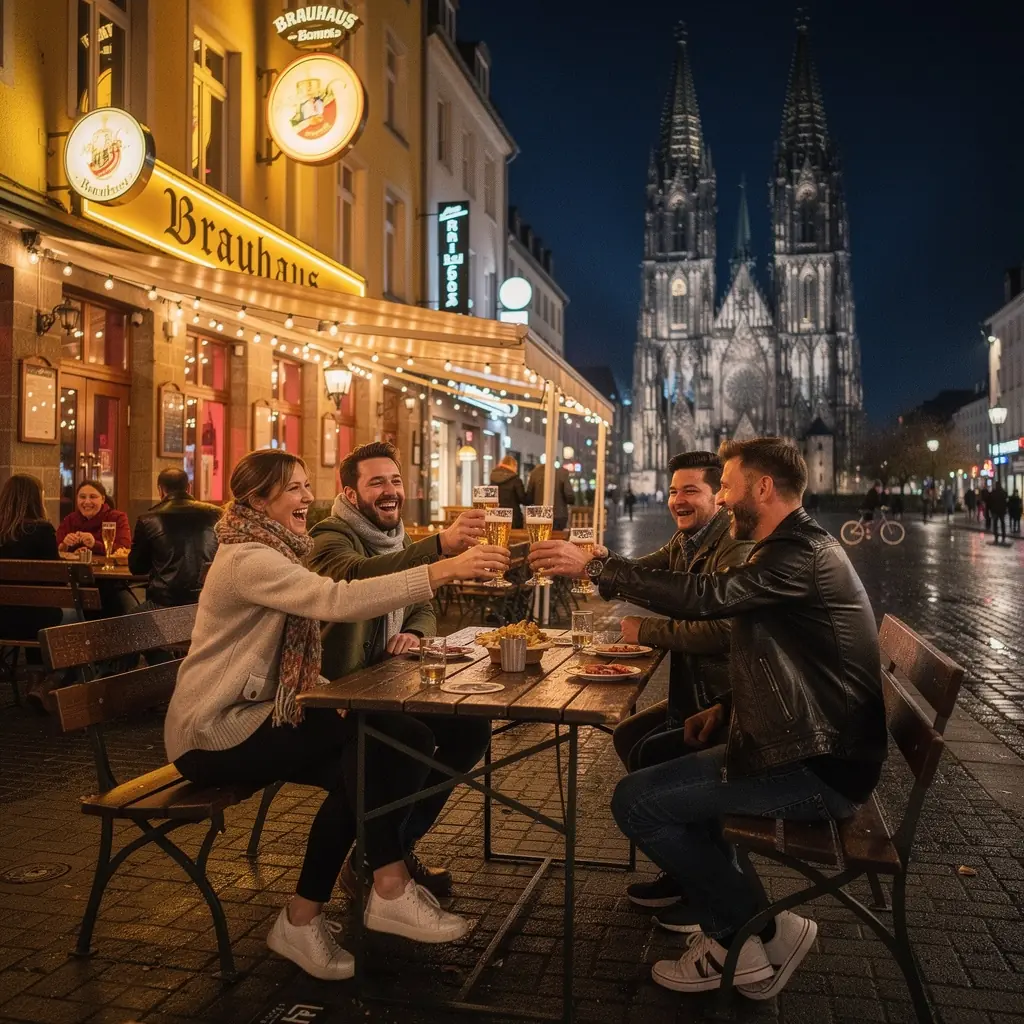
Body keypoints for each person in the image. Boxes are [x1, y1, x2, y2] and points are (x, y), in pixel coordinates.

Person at [528, 438, 886, 998]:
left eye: (727, 485)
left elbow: (710, 597)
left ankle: (736, 939)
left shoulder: (796, 555)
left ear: (763, 487)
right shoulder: (792, 547)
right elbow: (796, 659)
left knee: (636, 802)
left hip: (819, 768)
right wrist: (727, 708)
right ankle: (760, 925)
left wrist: (602, 563)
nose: (721, 496)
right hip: (808, 744)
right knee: (655, 757)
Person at [165, 450, 510, 980]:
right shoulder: (250, 558)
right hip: (214, 732)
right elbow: (334, 597)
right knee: (392, 738)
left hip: (262, 711)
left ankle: (305, 917)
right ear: (258, 501)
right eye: (295, 490)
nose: (309, 498)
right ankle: (388, 886)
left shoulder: (278, 547)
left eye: (308, 486)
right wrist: (440, 567)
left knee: (377, 761)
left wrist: (327, 689)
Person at [308, 441, 493, 896]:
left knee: (470, 728)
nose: (390, 490)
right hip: (335, 695)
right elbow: (356, 578)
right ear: (350, 494)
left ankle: (392, 847)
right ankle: (379, 860)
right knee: (413, 739)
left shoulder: (398, 536)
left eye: (395, 480)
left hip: (385, 686)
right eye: (376, 483)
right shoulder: (329, 536)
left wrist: (414, 631)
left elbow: (421, 607)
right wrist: (440, 548)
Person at [611, 452, 753, 914]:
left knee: (647, 758)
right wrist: (598, 565)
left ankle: (706, 886)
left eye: (690, 490)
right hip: (707, 695)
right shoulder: (689, 540)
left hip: (726, 697)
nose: (677, 500)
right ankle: (688, 868)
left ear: (720, 497)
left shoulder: (732, 546)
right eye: (673, 490)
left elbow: (726, 630)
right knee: (634, 736)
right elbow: (648, 575)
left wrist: (645, 630)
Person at [0, 474, 61, 687]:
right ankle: (45, 681)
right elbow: (57, 582)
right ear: (36, 499)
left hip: (2, 619)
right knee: (82, 614)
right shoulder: (42, 531)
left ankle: (39, 681)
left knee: (36, 607)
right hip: (36, 621)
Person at [129, 468, 221, 609]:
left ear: (160, 490)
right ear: (189, 488)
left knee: (125, 621)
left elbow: (137, 568)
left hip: (164, 603)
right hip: (208, 600)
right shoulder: (217, 513)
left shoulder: (147, 519)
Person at [56, 480, 131, 555]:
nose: (87, 502)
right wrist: (64, 545)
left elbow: (124, 549)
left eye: (93, 497)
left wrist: (94, 544)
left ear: (103, 499)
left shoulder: (117, 518)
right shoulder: (70, 519)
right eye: (82, 497)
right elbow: (54, 548)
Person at [525, 462, 575, 530]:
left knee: (542, 538)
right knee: (557, 539)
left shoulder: (534, 474)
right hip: (559, 516)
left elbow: (528, 499)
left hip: (540, 515)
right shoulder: (562, 473)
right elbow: (570, 497)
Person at [490, 454, 527, 528]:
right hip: (514, 518)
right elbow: (523, 499)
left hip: (496, 516)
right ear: (513, 465)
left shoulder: (493, 478)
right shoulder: (516, 479)